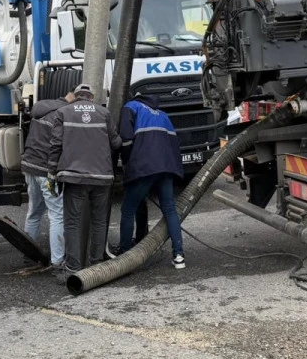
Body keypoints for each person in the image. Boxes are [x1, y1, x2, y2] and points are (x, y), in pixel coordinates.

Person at [47, 84, 121, 274]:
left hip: (74, 177)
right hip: (102, 176)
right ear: (91, 97)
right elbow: (116, 143)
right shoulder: (103, 113)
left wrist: (51, 174)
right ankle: (96, 265)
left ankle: (73, 267)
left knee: (72, 222)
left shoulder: (63, 112)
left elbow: (55, 145)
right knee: (99, 221)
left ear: (75, 96)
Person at [118, 93, 186, 269]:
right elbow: (174, 144)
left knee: (127, 209)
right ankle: (179, 255)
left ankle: (125, 254)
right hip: (166, 167)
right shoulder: (163, 115)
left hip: (144, 166)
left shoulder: (131, 107)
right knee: (170, 209)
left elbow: (125, 138)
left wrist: (126, 163)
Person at [21, 92, 74, 269]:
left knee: (34, 212)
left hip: (29, 166)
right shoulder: (63, 114)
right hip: (46, 173)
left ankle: (28, 256)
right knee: (57, 214)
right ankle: (58, 261)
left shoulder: (43, 107)